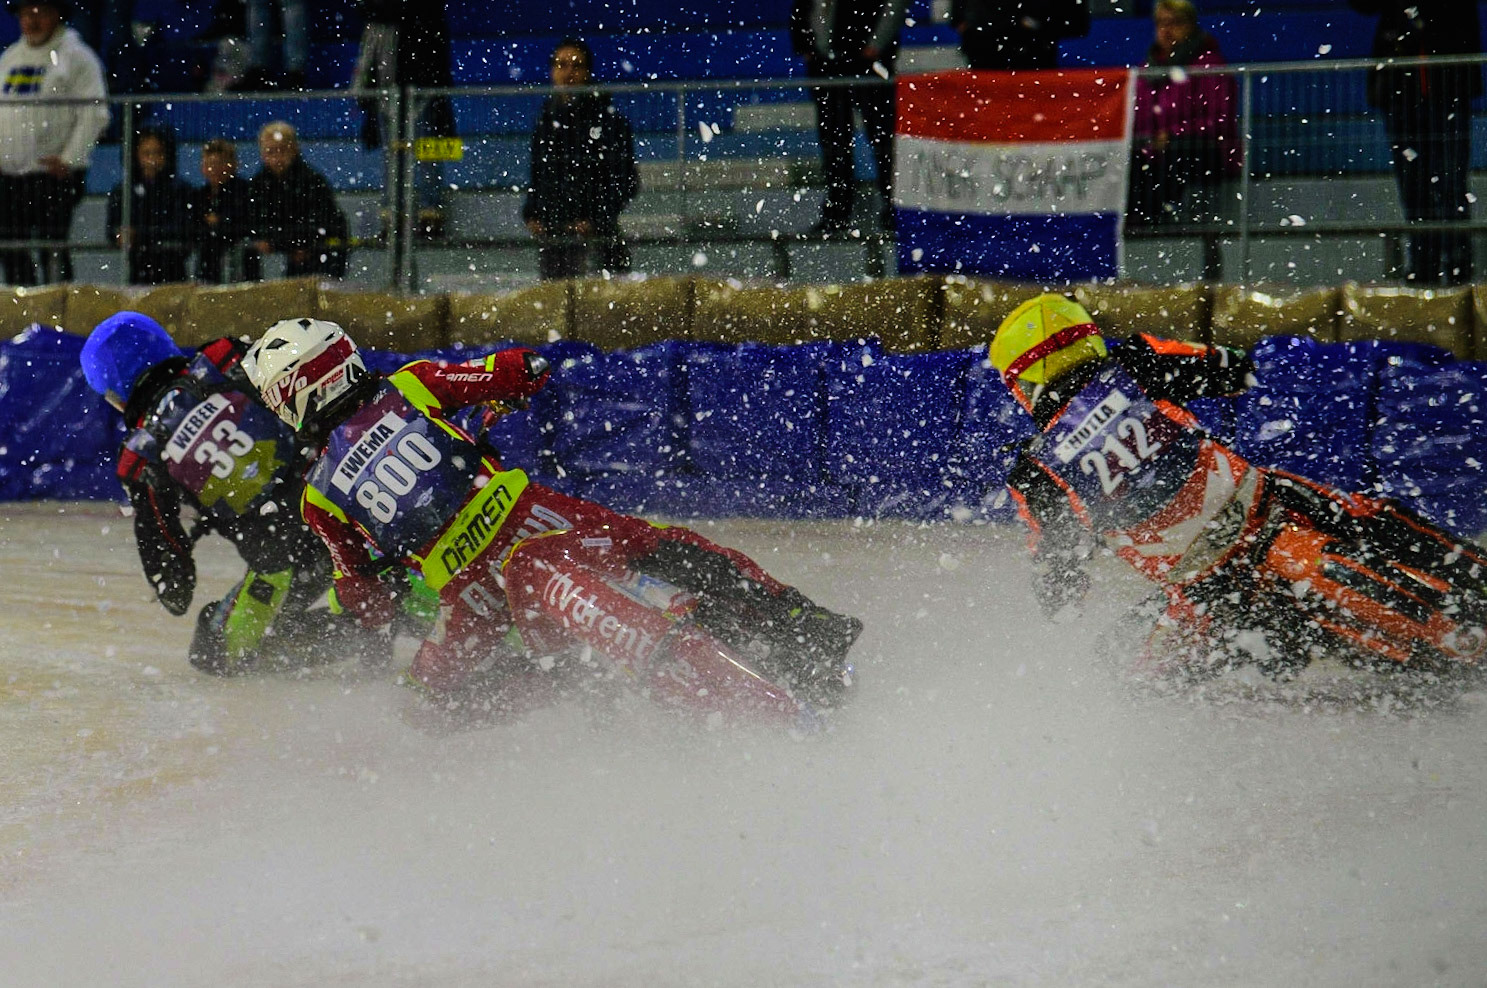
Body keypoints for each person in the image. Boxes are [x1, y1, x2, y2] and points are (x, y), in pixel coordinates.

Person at [242, 318, 861, 705]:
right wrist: (525, 371)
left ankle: (562, 693)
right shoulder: (412, 383)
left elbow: (364, 600)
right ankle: (803, 625)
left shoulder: (319, 498)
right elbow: (509, 370)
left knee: (425, 706)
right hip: (534, 517)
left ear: (293, 397)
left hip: (468, 599)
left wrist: (373, 594)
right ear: (341, 358)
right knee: (657, 544)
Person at [988, 293, 1487, 676]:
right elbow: (1232, 368)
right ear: (1088, 338)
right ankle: (1469, 573)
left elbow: (1058, 569)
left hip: (1206, 585)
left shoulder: (1035, 472)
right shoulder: (1137, 363)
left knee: (1120, 669)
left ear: (1023, 380)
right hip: (1267, 503)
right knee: (1370, 517)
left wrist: (1062, 599)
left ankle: (1279, 653)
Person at [79, 311, 351, 675]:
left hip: (285, 561)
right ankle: (380, 605)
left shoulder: (140, 455)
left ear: (114, 394)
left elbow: (173, 586)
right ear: (163, 344)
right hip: (348, 509)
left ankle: (356, 632)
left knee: (212, 647)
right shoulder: (224, 358)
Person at [1350, 0, 1480, 286]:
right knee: (1414, 187)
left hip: (1447, 85)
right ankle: (1424, 268)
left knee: (1450, 184)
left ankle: (1457, 268)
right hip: (1401, 89)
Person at [0, 0, 108, 285]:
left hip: (52, 174)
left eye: (39, 12)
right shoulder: (9, 58)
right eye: (25, 13)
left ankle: (57, 315)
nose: (32, 21)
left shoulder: (78, 57)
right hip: (10, 175)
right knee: (11, 249)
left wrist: (70, 159)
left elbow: (95, 113)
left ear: (57, 14)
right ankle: (20, 316)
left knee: (53, 250)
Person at [522, 39, 639, 280]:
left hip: (596, 237)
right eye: (561, 65)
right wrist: (532, 212)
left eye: (576, 66)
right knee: (557, 304)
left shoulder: (608, 122)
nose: (568, 73)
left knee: (594, 307)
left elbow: (625, 180)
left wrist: (595, 219)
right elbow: (538, 173)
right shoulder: (545, 120)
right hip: (555, 234)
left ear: (587, 72)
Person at [790, 0, 905, 234]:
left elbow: (894, 6)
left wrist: (875, 45)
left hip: (867, 61)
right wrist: (808, 46)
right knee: (835, 140)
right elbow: (805, 10)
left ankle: (892, 207)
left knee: (881, 137)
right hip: (831, 64)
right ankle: (838, 211)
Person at [351, 0, 457, 240]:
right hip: (389, 86)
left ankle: (428, 215)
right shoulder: (379, 23)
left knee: (425, 150)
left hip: (422, 82)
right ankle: (395, 218)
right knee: (393, 154)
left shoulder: (420, 20)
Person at [1128, 0, 1240, 227]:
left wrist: (1172, 134)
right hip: (1157, 150)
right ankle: (1133, 221)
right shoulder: (1148, 70)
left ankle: (1152, 219)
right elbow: (1136, 117)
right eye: (1161, 23)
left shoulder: (1209, 65)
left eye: (1175, 23)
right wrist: (1146, 139)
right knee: (1130, 160)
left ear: (1190, 25)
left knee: (1177, 154)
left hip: (1205, 151)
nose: (1166, 30)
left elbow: (1220, 119)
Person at [247, 120, 349, 279]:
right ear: (262, 154)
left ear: (294, 150)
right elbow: (255, 221)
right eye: (270, 152)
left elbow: (320, 222)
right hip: (291, 245)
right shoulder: (259, 184)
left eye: (281, 150)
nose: (277, 158)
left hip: (318, 251)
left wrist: (298, 244)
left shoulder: (311, 181)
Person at [106, 122, 193, 285]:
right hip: (138, 269)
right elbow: (112, 228)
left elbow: (183, 228)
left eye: (158, 153)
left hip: (173, 268)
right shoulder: (123, 190)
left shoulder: (181, 189)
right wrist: (119, 234)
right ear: (136, 155)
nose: (152, 159)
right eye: (146, 153)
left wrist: (139, 234)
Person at [949, 0, 1090, 71]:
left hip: (1034, 54)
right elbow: (959, 18)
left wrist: (1033, 24)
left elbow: (1076, 22)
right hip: (985, 53)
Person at [192, 137, 259, 283]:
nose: (214, 169)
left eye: (219, 163)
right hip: (209, 265)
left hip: (240, 264)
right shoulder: (200, 195)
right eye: (209, 164)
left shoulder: (245, 191)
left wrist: (221, 220)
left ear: (233, 165)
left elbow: (245, 223)